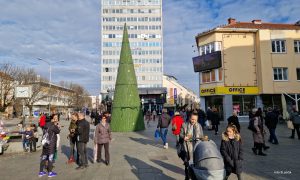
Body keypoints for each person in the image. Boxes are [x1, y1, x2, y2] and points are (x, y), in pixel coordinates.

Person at [179, 112, 204, 180]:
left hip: (197, 147)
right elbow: (180, 135)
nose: (194, 121)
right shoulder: (184, 125)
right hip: (187, 147)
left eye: (195, 120)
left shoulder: (199, 125)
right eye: (192, 119)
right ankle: (187, 177)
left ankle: (194, 176)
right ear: (190, 118)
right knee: (188, 164)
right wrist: (184, 137)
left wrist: (203, 139)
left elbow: (201, 135)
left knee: (196, 163)